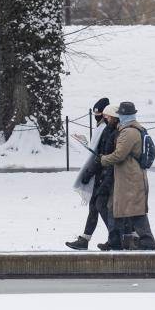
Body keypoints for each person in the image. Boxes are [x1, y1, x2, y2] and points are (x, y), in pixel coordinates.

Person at [98, 101, 155, 250]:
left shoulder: (128, 132)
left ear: (123, 115)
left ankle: (147, 241)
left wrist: (103, 159)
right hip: (128, 177)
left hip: (130, 178)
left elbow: (119, 155)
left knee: (135, 211)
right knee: (117, 208)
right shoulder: (134, 128)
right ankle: (115, 240)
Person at [66, 98, 116, 250]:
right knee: (95, 206)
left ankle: (116, 238)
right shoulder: (103, 128)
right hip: (100, 173)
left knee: (100, 206)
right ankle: (86, 239)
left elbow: (101, 155)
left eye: (101, 114)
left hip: (104, 173)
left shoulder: (106, 130)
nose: (98, 117)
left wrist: (90, 171)